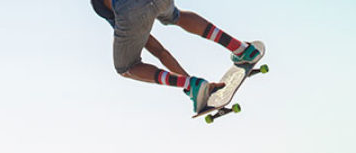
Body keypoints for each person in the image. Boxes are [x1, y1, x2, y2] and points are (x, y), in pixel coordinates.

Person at [89, 0, 264, 113]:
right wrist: (196, 89)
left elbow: (157, 50)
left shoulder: (104, 7)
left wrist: (190, 85)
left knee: (126, 68)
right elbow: (160, 51)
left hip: (129, 9)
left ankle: (192, 85)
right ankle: (242, 49)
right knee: (177, 16)